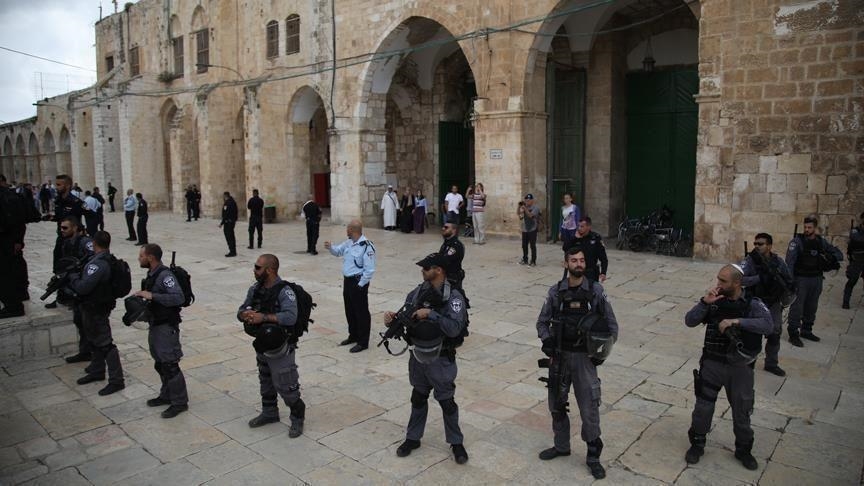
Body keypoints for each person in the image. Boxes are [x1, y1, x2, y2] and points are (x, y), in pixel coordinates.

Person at [536, 248, 618, 479]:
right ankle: (561, 446)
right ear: (566, 264)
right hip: (559, 357)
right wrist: (548, 341)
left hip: (584, 359)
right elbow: (541, 323)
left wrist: (599, 355)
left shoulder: (595, 291)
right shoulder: (555, 292)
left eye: (582, 260)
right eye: (574, 260)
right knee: (557, 404)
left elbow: (612, 327)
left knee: (589, 407)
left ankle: (593, 455)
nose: (579, 264)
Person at [684, 264, 773, 470]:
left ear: (737, 283)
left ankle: (743, 449)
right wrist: (704, 303)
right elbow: (689, 321)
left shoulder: (752, 304)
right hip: (712, 363)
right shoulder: (714, 302)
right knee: (703, 408)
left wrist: (737, 322)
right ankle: (697, 444)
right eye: (718, 279)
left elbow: (768, 325)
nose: (718, 284)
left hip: (740, 368)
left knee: (742, 411)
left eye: (723, 281)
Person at [386, 252, 469, 464]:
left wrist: (430, 314)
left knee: (447, 402)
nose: (422, 271)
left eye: (426, 268)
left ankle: (456, 442)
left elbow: (454, 328)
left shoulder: (454, 297)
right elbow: (405, 314)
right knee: (418, 397)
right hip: (418, 356)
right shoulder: (417, 292)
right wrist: (391, 320)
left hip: (441, 359)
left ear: (438, 270)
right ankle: (413, 438)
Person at [238, 254, 306, 436]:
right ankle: (269, 413)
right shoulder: (255, 289)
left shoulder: (285, 291)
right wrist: (245, 314)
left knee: (286, 383)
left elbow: (291, 317)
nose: (254, 270)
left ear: (270, 270)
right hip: (262, 343)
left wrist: (264, 317)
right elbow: (242, 308)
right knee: (265, 379)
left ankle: (297, 419)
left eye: (258, 267)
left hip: (281, 346)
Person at [65, 231, 125, 396]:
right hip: (95, 307)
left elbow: (83, 287)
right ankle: (97, 370)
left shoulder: (97, 264)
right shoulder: (106, 259)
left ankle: (116, 380)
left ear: (95, 243)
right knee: (95, 340)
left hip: (96, 308)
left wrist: (73, 277)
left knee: (105, 344)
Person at [133, 243, 189, 418]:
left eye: (141, 256)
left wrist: (152, 296)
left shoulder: (165, 275)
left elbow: (178, 297)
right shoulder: (152, 274)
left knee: (170, 365)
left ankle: (179, 402)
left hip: (167, 327)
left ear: (150, 257)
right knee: (160, 363)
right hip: (156, 324)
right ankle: (166, 394)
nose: (139, 259)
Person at [741, 233, 794, 376]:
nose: (757, 246)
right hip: (755, 302)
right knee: (753, 333)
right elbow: (740, 280)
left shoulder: (778, 262)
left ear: (769, 246)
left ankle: (771, 363)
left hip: (773, 302)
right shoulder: (750, 261)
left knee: (775, 333)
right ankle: (748, 362)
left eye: (761, 244)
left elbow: (788, 278)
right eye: (755, 244)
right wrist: (759, 278)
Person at [785, 215, 843, 346]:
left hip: (816, 279)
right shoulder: (797, 242)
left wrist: (830, 257)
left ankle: (806, 330)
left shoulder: (820, 242)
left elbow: (838, 254)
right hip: (801, 279)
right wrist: (791, 281)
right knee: (797, 307)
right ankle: (793, 333)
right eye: (805, 227)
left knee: (812, 306)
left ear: (815, 228)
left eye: (809, 227)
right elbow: (789, 263)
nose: (806, 229)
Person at [325, 220, 376, 353]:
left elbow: (369, 269)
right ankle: (353, 335)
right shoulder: (348, 243)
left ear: (353, 230)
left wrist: (361, 284)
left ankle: (363, 341)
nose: (346, 231)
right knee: (350, 310)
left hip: (358, 282)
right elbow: (338, 252)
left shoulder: (367, 246)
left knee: (361, 312)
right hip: (347, 281)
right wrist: (330, 247)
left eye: (348, 229)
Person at [58, 217, 96, 363]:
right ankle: (85, 351)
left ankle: (93, 353)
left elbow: (94, 259)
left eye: (65, 228)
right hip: (74, 286)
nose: (62, 230)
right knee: (79, 320)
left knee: (87, 322)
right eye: (61, 228)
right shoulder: (67, 242)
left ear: (75, 228)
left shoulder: (86, 242)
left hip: (84, 286)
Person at [49, 174, 89, 308]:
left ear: (67, 185)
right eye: (56, 184)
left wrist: (85, 231)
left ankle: (73, 297)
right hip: (61, 239)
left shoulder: (76, 202)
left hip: (73, 241)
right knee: (58, 267)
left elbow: (93, 215)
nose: (57, 187)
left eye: (59, 184)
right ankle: (61, 296)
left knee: (72, 268)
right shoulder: (58, 200)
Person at [0, 174, 28, 318]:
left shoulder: (6, 197)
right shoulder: (10, 196)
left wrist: (17, 241)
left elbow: (15, 220)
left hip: (6, 241)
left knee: (6, 274)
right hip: (10, 240)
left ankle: (13, 306)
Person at [564, 216, 608, 283]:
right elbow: (565, 248)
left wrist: (603, 272)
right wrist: (575, 239)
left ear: (588, 227)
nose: (579, 228)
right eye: (578, 226)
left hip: (591, 272)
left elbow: (603, 258)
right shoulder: (574, 237)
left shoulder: (595, 238)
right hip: (577, 271)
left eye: (582, 226)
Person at [843, 212, 864, 309]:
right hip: (857, 260)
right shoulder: (855, 231)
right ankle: (846, 302)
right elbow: (857, 240)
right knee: (852, 280)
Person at [439, 218, 465, 290]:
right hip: (444, 278)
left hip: (452, 280)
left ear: (454, 230)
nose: (443, 228)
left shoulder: (456, 246)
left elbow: (444, 261)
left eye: (446, 227)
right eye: (443, 226)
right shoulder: (446, 243)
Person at [518, 194, 540, 266]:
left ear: (532, 200)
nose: (527, 202)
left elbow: (530, 215)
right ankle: (525, 259)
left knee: (532, 245)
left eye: (529, 200)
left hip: (533, 228)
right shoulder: (524, 207)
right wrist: (519, 207)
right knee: (524, 245)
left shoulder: (536, 208)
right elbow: (520, 216)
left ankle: (533, 261)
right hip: (525, 229)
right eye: (526, 200)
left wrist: (525, 209)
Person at [220, 191, 238, 257]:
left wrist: (222, 223)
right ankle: (233, 251)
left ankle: (232, 251)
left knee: (229, 237)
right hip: (232, 222)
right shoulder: (233, 202)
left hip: (228, 222)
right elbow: (236, 212)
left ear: (225, 196)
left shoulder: (227, 203)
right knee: (232, 236)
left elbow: (225, 214)